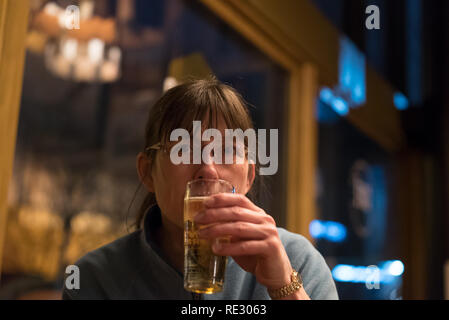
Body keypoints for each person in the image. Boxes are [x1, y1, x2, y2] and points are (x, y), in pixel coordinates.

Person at [62, 78, 338, 300]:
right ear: (148, 172)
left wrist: (283, 288)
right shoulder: (96, 279)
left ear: (249, 177)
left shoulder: (297, 260)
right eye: (184, 151)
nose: (208, 169)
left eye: (227, 151)